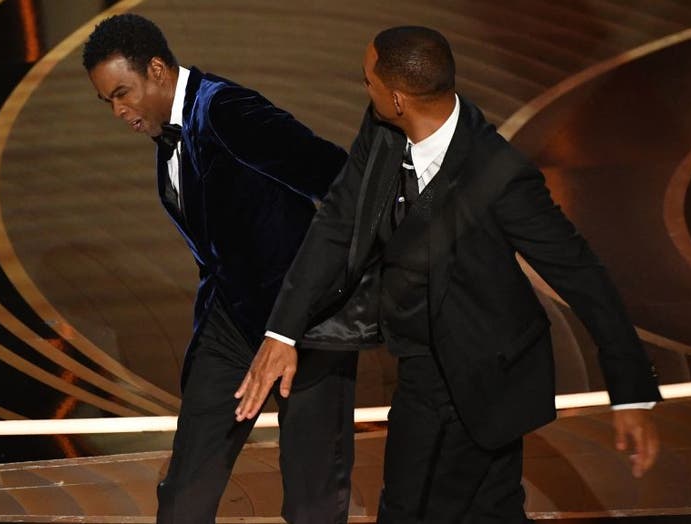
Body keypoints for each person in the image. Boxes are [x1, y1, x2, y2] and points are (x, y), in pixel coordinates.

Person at [235, 26, 662, 523]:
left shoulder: (500, 175)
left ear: (397, 98)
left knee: (435, 511)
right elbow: (336, 222)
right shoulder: (381, 129)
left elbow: (580, 273)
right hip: (422, 361)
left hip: (485, 368)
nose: (364, 88)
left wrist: (630, 391)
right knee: (461, 510)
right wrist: (281, 331)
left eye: (368, 81)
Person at [82, 14, 360, 524]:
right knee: (186, 491)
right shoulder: (169, 135)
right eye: (109, 102)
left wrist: (301, 318)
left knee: (312, 499)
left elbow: (338, 180)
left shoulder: (227, 112)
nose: (118, 111)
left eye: (123, 93)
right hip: (231, 322)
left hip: (307, 323)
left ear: (159, 71)